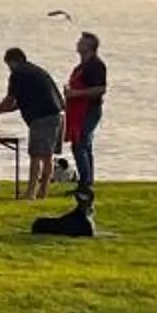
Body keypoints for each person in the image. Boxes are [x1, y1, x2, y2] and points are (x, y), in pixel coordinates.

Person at [0, 46, 65, 198]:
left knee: (36, 155)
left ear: (13, 61)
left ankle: (30, 193)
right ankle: (42, 192)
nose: (9, 69)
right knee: (47, 155)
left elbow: (10, 100)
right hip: (57, 115)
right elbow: (18, 104)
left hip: (41, 117)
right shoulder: (35, 71)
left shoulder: (18, 74)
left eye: (8, 65)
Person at [62, 30, 108, 198]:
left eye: (81, 41)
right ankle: (87, 182)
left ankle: (85, 184)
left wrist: (76, 94)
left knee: (80, 143)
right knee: (84, 144)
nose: (77, 43)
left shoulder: (96, 65)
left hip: (90, 109)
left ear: (89, 46)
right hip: (77, 110)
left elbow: (100, 89)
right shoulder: (80, 67)